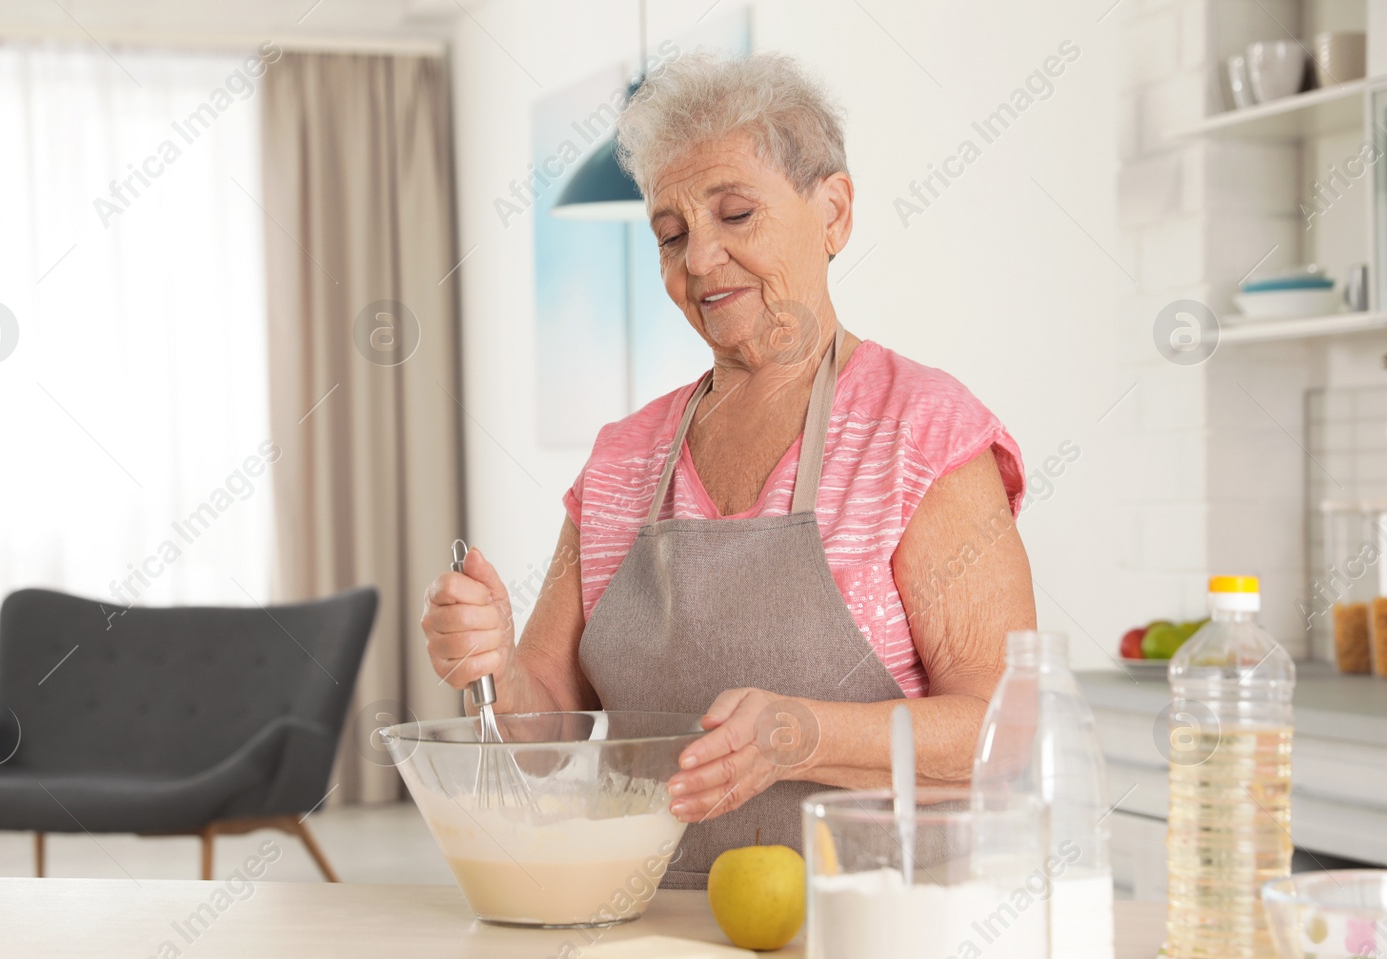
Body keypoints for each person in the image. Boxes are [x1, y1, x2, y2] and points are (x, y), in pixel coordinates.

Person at [423, 52, 1034, 888]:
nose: (700, 260)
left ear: (834, 212)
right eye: (671, 235)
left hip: (872, 942)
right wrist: (492, 665)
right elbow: (539, 742)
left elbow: (1006, 732)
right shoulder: (621, 462)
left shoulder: (920, 433)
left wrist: (807, 734)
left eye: (736, 214)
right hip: (648, 940)